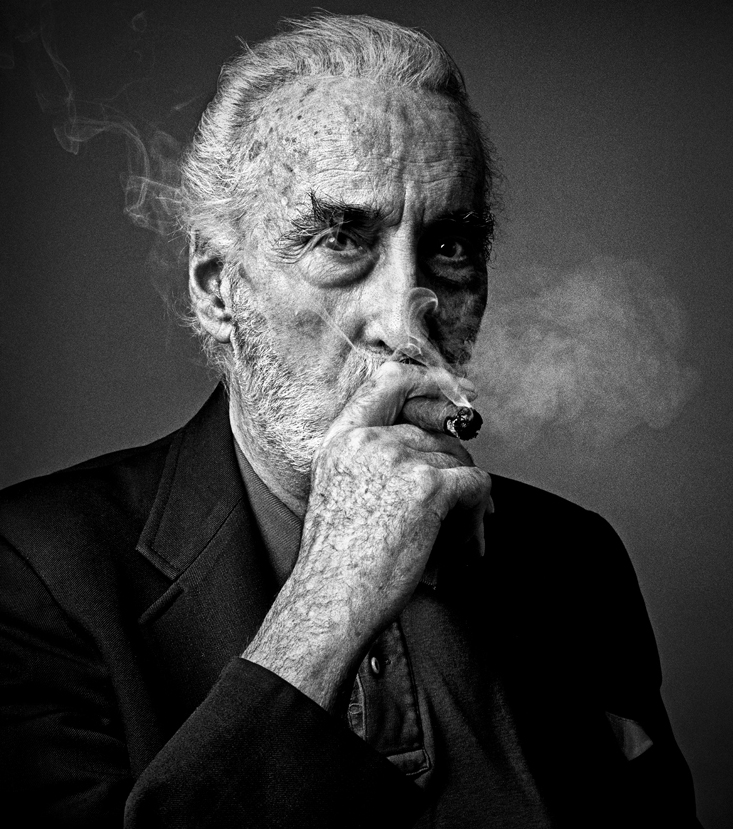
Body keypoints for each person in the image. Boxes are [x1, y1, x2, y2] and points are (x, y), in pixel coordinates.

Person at [0, 13, 701, 828]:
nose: (405, 322)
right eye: (340, 239)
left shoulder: (573, 561)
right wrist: (335, 592)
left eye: (449, 247)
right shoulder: (36, 575)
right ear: (218, 287)